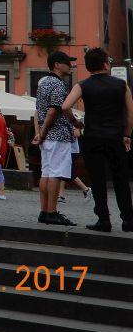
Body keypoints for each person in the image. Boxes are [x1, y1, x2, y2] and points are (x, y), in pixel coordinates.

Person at [60, 48, 133, 232]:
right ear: (106, 64)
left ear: (89, 66)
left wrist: (75, 122)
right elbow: (130, 113)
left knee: (97, 180)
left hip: (92, 137)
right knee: (120, 179)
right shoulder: (121, 85)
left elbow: (65, 106)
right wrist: (127, 135)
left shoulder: (82, 85)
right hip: (116, 137)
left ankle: (103, 220)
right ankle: (128, 220)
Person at [32, 51, 83, 226]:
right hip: (57, 135)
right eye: (67, 63)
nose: (71, 66)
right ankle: (52, 212)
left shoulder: (43, 83)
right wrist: (45, 131)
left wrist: (74, 121)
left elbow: (46, 110)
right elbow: (54, 110)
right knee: (56, 174)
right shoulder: (58, 85)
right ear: (57, 65)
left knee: (46, 172)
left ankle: (44, 211)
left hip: (48, 137)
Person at [57, 134, 92, 203]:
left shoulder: (74, 123)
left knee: (68, 172)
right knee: (63, 171)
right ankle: (61, 196)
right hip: (66, 149)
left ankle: (86, 189)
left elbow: (77, 133)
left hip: (71, 150)